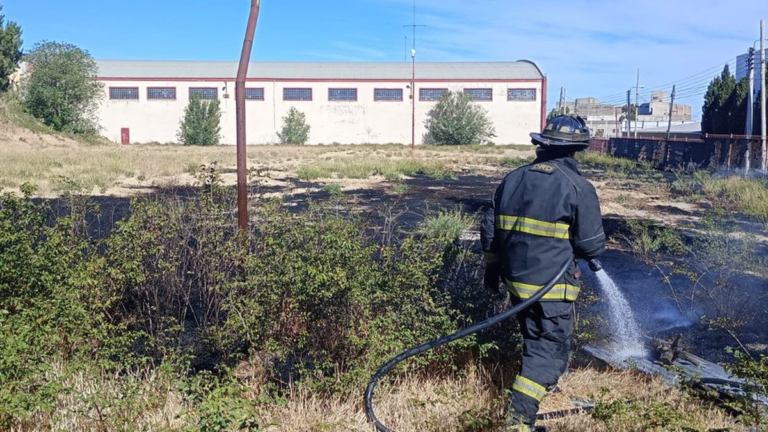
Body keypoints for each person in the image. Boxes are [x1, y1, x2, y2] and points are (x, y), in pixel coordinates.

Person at [480, 115, 606, 431]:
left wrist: (492, 267)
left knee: (535, 342)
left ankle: (532, 396)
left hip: (517, 286)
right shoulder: (578, 186)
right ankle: (518, 422)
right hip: (552, 290)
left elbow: (489, 230)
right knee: (550, 357)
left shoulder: (512, 178)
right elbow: (591, 246)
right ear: (577, 149)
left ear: (542, 144)